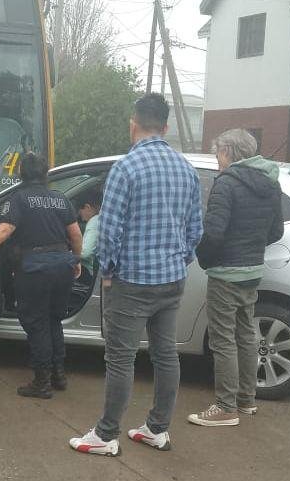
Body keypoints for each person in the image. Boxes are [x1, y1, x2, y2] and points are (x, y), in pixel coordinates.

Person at [70, 93, 203, 457]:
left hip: (132, 281)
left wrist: (109, 272)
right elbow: (196, 230)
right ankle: (156, 429)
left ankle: (105, 434)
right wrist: (178, 260)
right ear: (166, 126)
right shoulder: (185, 169)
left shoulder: (125, 169)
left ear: (133, 124)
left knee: (120, 359)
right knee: (165, 355)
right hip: (172, 279)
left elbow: (109, 231)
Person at [0, 153, 83, 398]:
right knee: (54, 320)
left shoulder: (19, 199)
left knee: (37, 324)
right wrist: (75, 260)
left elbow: (4, 231)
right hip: (62, 266)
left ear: (21, 174)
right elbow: (75, 235)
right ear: (45, 173)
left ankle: (41, 382)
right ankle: (58, 374)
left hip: (35, 268)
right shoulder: (60, 199)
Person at [188, 129, 284, 427]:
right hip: (252, 271)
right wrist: (251, 249)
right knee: (245, 335)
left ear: (229, 152)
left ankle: (225, 407)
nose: (217, 160)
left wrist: (205, 259)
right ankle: (246, 400)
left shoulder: (226, 183)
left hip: (226, 273)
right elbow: (276, 231)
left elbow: (214, 232)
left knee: (223, 340)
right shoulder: (270, 182)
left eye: (218, 153)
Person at [77, 189, 102, 283]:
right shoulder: (101, 219)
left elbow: (85, 253)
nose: (81, 217)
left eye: (80, 212)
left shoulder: (94, 221)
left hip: (89, 274)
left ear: (87, 207)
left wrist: (67, 254)